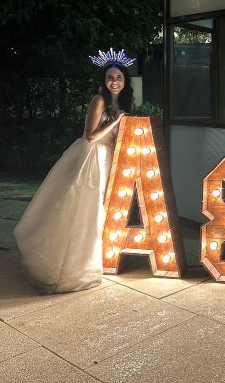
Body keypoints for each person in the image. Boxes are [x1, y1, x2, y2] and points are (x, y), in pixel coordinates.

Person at [14, 49, 135, 294]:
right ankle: (69, 266)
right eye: (110, 76)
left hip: (108, 158)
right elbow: (90, 136)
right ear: (103, 80)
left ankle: (96, 256)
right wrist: (114, 121)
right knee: (84, 210)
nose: (114, 81)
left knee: (101, 210)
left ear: (125, 81)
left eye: (119, 77)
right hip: (92, 158)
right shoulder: (98, 101)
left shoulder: (122, 103)